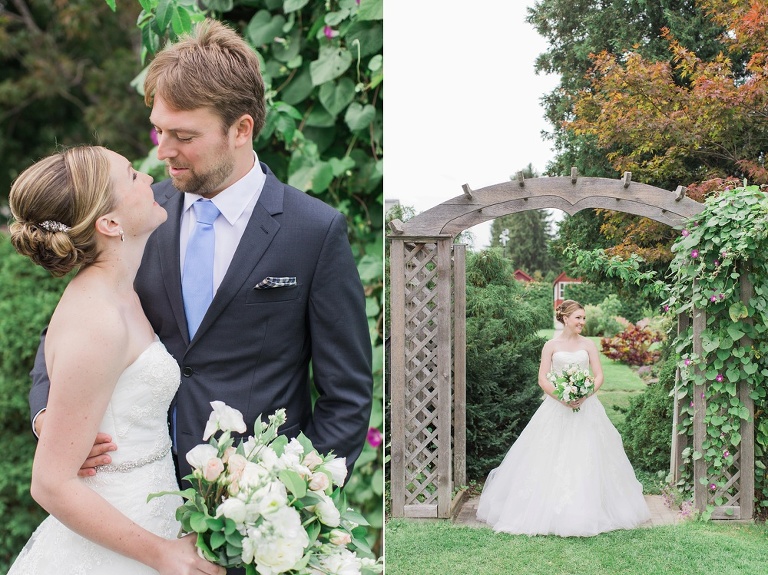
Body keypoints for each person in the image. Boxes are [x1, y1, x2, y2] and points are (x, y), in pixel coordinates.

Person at [29, 19, 373, 486]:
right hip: (138, 491)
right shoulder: (137, 219)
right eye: (159, 131)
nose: (164, 151)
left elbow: (346, 396)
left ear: (241, 129)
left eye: (184, 137)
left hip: (255, 513)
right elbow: (67, 325)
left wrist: (298, 499)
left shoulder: (314, 231)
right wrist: (48, 415)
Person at [7, 146, 224, 574]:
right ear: (109, 223)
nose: (148, 178)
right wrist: (161, 554)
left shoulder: (120, 291)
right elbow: (50, 483)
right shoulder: (97, 319)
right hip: (116, 545)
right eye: (130, 175)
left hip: (151, 510)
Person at [476, 300, 651, 536]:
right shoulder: (551, 345)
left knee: (587, 453)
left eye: (584, 318)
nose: (582, 322)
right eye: (578, 318)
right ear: (565, 318)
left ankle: (588, 508)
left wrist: (584, 394)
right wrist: (562, 397)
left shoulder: (588, 345)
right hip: (556, 407)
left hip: (586, 408)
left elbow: (599, 376)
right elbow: (543, 379)